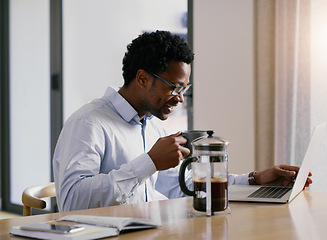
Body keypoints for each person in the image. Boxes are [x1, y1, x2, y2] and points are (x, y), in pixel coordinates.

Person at [53, 30, 312, 212]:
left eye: (184, 90)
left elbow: (182, 187)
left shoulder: (151, 125)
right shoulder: (89, 123)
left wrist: (254, 180)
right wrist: (150, 162)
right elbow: (72, 202)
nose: (180, 99)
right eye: (174, 88)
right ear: (142, 78)